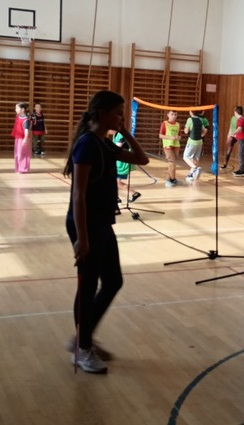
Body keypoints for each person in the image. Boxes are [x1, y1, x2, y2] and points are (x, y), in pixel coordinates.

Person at [63, 91, 149, 374]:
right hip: (85, 223)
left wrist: (125, 132)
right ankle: (82, 348)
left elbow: (141, 159)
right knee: (88, 286)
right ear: (101, 113)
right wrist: (82, 238)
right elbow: (78, 195)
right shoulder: (87, 144)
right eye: (118, 113)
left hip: (101, 222)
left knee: (112, 281)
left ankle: (83, 337)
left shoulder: (105, 143)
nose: (122, 118)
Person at [108, 129, 141, 208]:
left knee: (116, 183)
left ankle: (119, 198)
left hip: (123, 164)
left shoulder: (121, 136)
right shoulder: (115, 135)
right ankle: (133, 194)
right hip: (118, 163)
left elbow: (116, 148)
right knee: (115, 182)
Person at [183, 110, 208, 181]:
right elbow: (204, 130)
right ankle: (191, 175)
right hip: (199, 141)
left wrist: (185, 129)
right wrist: (202, 135)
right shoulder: (200, 120)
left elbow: (186, 131)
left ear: (190, 112)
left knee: (186, 157)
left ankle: (195, 168)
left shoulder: (190, 119)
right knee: (195, 158)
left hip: (192, 141)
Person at [159, 110, 181, 187]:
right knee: (172, 162)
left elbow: (180, 135)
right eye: (172, 114)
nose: (174, 116)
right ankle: (168, 179)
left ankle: (173, 179)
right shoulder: (165, 123)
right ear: (168, 115)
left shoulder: (178, 124)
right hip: (168, 145)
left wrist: (178, 137)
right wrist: (170, 137)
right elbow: (160, 135)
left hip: (176, 145)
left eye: (175, 114)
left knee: (173, 164)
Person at [231, 106, 244, 177]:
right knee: (243, 154)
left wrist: (234, 133)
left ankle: (241, 170)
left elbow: (240, 129)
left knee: (241, 154)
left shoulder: (240, 120)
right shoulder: (243, 119)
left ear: (236, 112)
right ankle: (242, 169)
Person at [12, 102, 32, 173]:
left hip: (23, 139)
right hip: (17, 138)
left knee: (22, 154)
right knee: (17, 153)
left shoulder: (26, 120)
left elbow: (26, 130)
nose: (15, 109)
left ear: (22, 109)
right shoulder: (18, 116)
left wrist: (25, 139)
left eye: (17, 108)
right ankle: (18, 168)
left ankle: (23, 169)